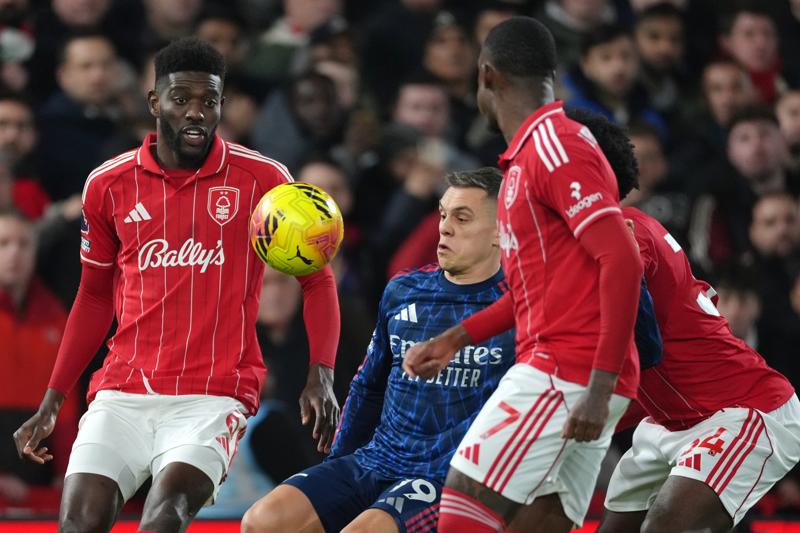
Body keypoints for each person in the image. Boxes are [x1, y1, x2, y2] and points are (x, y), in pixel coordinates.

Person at [12, 37, 340, 533]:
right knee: (78, 523)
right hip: (123, 391)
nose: (196, 112)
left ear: (222, 105)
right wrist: (53, 399)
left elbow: (317, 281)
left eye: (209, 101)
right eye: (181, 98)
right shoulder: (108, 184)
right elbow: (94, 296)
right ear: (154, 102)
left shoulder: (264, 180)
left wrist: (322, 372)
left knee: (164, 517)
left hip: (213, 395)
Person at [403, 16, 643, 533]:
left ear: (487, 75)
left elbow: (622, 259)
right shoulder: (530, 159)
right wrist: (454, 339)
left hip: (566, 370)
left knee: (463, 499)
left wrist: (598, 385)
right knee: (540, 521)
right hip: (578, 372)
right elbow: (536, 291)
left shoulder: (555, 147)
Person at [241, 167, 516, 533]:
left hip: (447, 476)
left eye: (462, 218)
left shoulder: (520, 306)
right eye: (443, 215)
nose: (445, 228)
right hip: (378, 459)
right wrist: (337, 464)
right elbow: (369, 386)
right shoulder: (404, 290)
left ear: (501, 229)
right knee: (262, 521)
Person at [573, 110, 799, 533]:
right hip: (668, 420)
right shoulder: (611, 232)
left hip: (744, 410)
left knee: (665, 527)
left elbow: (636, 339)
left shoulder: (624, 232)